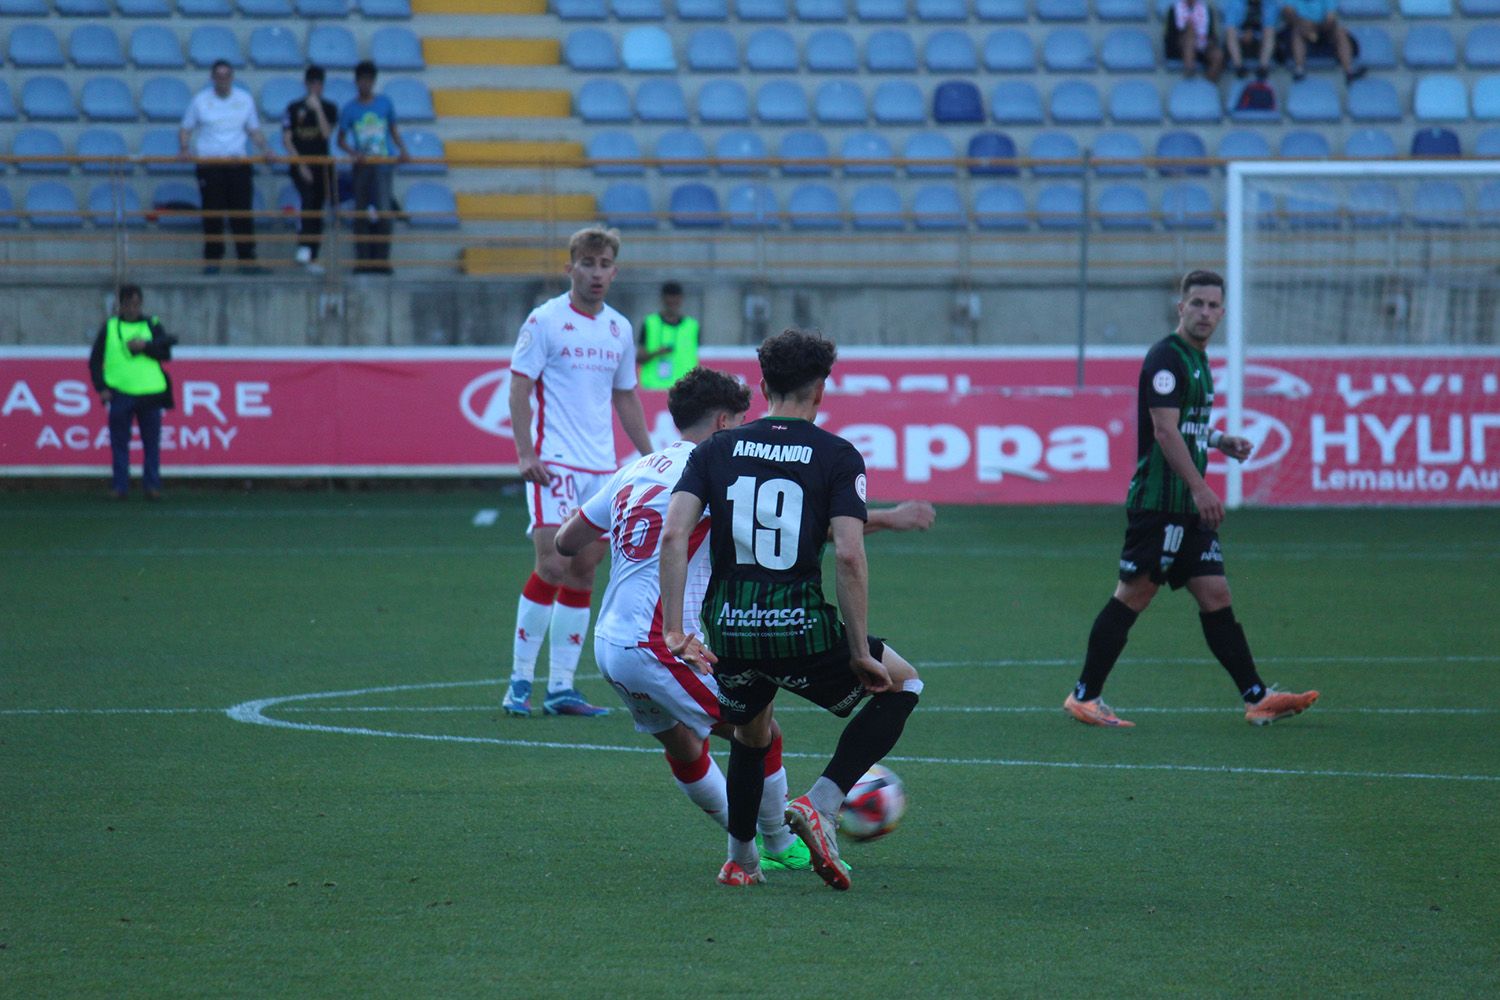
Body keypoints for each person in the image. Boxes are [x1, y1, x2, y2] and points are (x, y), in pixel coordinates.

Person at [555, 365, 935, 874]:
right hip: (663, 643)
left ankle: (748, 851)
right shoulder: (719, 464)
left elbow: (566, 542)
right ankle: (778, 844)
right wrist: (887, 518)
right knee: (759, 732)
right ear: (721, 421)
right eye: (738, 420)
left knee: (685, 745)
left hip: (609, 643)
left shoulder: (635, 470)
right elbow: (788, 527)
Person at [659, 329, 925, 891]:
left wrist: (676, 630)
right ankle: (822, 804)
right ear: (822, 389)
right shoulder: (837, 454)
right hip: (799, 627)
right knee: (903, 686)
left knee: (752, 734)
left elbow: (674, 535)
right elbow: (849, 554)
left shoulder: (715, 449)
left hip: (729, 630)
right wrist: (857, 653)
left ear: (760, 386)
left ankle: (740, 860)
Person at [1063, 270, 1320, 730]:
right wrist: (1202, 487)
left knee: (1216, 593)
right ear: (1180, 307)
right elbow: (1163, 429)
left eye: (1212, 306)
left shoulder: (1199, 361)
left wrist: (1219, 440)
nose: (1204, 312)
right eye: (1196, 303)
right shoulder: (1167, 359)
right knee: (1134, 595)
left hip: (1188, 507)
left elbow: (1185, 424)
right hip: (1161, 504)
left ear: (1222, 313)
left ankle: (1256, 697)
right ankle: (1085, 696)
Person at [500, 227, 655, 719]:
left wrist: (651, 457)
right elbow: (519, 387)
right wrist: (526, 453)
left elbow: (625, 395)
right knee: (552, 565)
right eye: (587, 263)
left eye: (604, 263)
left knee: (585, 569)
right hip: (555, 463)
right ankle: (519, 682)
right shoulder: (545, 321)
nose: (596, 272)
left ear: (615, 270)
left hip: (600, 470)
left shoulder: (619, 329)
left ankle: (561, 688)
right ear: (571, 268)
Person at [178, 60, 270, 275]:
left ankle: (247, 260)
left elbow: (253, 130)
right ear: (212, 79)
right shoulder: (200, 101)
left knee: (242, 213)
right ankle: (212, 260)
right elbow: (185, 129)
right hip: (210, 165)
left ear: (232, 77)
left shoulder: (244, 99)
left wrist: (266, 149)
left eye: (226, 76)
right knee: (212, 214)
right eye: (218, 76)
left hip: (237, 163)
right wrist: (184, 148)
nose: (223, 80)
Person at [88, 285, 176, 500]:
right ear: (121, 305)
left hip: (151, 392)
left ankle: (152, 485)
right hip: (120, 393)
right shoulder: (110, 327)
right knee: (119, 442)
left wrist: (145, 347)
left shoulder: (152, 325)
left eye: (136, 304)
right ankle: (120, 486)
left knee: (151, 443)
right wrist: (101, 388)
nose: (133, 308)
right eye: (128, 304)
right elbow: (95, 361)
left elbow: (166, 353)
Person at [336, 61, 409, 275]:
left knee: (384, 212)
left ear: (374, 82)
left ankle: (381, 261)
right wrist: (354, 154)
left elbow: (393, 130)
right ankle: (363, 261)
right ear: (356, 82)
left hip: (384, 165)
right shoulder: (350, 109)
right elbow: (341, 139)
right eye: (362, 80)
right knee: (361, 213)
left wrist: (403, 149)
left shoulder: (385, 104)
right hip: (362, 166)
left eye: (369, 80)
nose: (365, 84)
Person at [282, 65, 338, 275]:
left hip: (322, 166)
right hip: (301, 164)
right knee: (307, 199)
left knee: (317, 207)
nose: (316, 87)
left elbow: (325, 134)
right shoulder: (293, 108)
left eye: (319, 83)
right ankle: (303, 249)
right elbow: (287, 139)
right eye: (312, 82)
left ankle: (313, 254)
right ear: (306, 84)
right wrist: (300, 164)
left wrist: (317, 109)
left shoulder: (329, 108)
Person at [1279, 0, 1365, 82]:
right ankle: (1299, 70)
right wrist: (1302, 23)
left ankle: (1349, 71)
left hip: (1322, 29)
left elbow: (1330, 18)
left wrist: (1316, 28)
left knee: (1340, 32)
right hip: (1301, 28)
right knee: (1297, 31)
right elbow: (1288, 12)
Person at [636, 281, 700, 391]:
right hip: (654, 389)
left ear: (681, 299)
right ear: (663, 299)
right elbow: (639, 358)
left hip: (684, 390)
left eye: (676, 298)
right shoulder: (650, 323)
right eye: (670, 298)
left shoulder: (692, 326)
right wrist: (656, 353)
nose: (673, 302)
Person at [1168, 0, 1226, 81]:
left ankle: (1208, 81)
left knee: (1218, 55)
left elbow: (1212, 35)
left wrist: (1208, 41)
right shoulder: (1174, 10)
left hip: (1203, 46)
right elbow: (1170, 37)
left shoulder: (1207, 10)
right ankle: (1189, 70)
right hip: (1181, 47)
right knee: (1190, 33)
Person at [1220, 0, 1277, 79]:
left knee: (1270, 32)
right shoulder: (1234, 3)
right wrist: (1243, 34)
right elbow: (1230, 25)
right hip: (1240, 36)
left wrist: (1253, 34)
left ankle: (1263, 67)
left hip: (1259, 37)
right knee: (1230, 33)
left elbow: (1269, 25)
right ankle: (1238, 66)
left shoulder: (1269, 4)